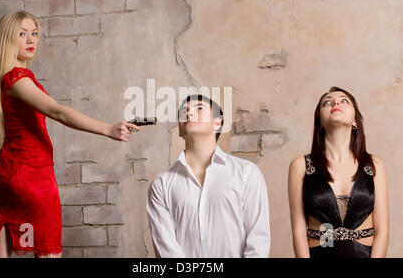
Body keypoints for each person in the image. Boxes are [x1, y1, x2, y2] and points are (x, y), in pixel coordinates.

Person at [0, 11, 141, 258]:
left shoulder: (3, 81)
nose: (31, 40)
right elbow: (58, 112)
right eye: (22, 34)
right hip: (33, 177)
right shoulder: (18, 78)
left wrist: (10, 159)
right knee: (48, 252)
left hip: (4, 176)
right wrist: (107, 129)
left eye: (34, 33)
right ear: (7, 39)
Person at [146, 94, 270, 257]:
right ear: (180, 130)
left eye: (199, 109)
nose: (189, 114)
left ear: (217, 122)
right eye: (184, 112)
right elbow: (166, 249)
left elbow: (258, 238)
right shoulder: (161, 184)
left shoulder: (246, 173)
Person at [288, 86, 389, 258]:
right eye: (326, 102)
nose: (335, 102)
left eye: (344, 100)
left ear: (355, 120)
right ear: (319, 122)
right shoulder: (301, 166)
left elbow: (382, 232)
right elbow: (299, 232)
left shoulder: (374, 165)